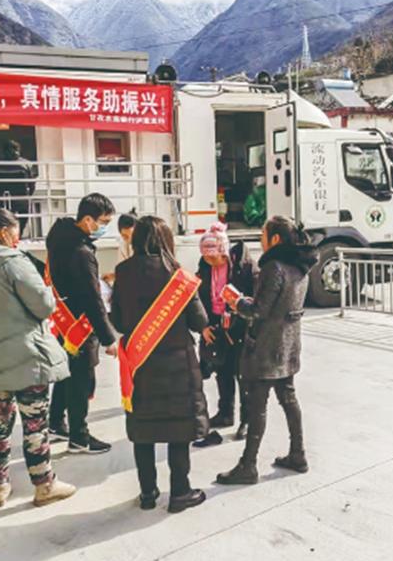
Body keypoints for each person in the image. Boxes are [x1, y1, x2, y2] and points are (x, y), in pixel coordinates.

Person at [0, 208, 76, 508]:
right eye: (17, 231)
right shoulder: (13, 262)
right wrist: (49, 293)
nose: (19, 237)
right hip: (25, 357)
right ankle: (45, 486)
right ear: (5, 232)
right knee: (35, 424)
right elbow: (42, 306)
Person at [111, 216, 210, 513]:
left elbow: (117, 321)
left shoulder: (123, 272)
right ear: (166, 240)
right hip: (178, 365)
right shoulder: (177, 275)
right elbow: (199, 321)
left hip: (140, 365)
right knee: (179, 431)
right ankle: (180, 493)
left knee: (144, 430)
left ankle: (147, 493)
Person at [216, 216, 318, 485]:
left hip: (265, 347)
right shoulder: (301, 266)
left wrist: (238, 303)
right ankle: (298, 454)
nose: (261, 240)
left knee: (257, 406)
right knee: (289, 400)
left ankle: (248, 465)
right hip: (289, 345)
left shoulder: (274, 267)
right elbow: (280, 305)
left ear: (275, 239)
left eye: (263, 235)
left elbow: (259, 311)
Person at [46, 193, 119, 454]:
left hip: (62, 320)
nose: (104, 227)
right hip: (79, 324)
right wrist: (108, 337)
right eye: (103, 222)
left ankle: (55, 422)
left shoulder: (59, 238)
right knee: (79, 380)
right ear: (87, 220)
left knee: (65, 374)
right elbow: (92, 299)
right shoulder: (81, 252)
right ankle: (79, 437)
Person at [196, 222, 257, 443]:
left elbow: (257, 297)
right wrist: (203, 325)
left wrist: (242, 308)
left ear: (224, 253)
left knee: (244, 375)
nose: (209, 262)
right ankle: (225, 413)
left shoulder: (245, 266)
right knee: (222, 370)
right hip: (216, 323)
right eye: (206, 258)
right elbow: (198, 296)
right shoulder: (205, 266)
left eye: (213, 258)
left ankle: (247, 420)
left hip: (240, 325)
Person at [0, 140, 35, 236]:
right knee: (24, 209)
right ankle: (18, 234)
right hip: (19, 201)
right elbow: (31, 185)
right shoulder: (25, 165)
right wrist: (28, 195)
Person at [102, 210, 138, 284]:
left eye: (132, 236)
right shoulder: (123, 244)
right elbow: (124, 268)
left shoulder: (146, 244)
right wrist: (115, 276)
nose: (130, 240)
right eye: (125, 236)